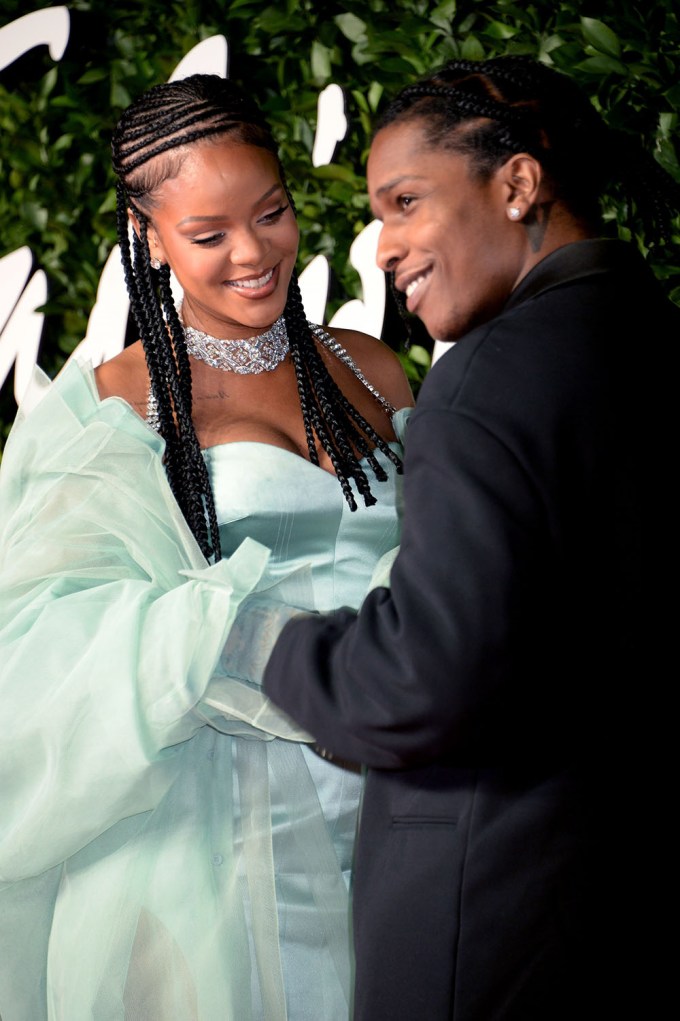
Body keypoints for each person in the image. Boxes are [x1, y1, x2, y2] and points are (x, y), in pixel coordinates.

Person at [256, 56, 680, 1018]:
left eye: (406, 202)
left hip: (483, 920)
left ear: (519, 183)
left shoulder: (484, 384)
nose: (383, 247)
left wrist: (274, 645)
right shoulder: (651, 338)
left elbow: (423, 681)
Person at [0, 74, 413, 1020]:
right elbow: (37, 645)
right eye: (209, 233)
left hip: (408, 815)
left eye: (271, 213)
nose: (254, 253)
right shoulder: (115, 403)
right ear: (150, 237)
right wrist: (238, 640)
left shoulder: (369, 364)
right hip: (227, 854)